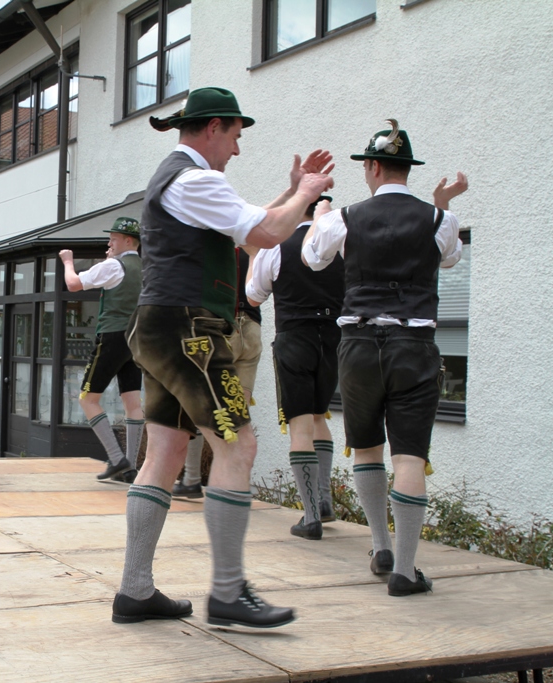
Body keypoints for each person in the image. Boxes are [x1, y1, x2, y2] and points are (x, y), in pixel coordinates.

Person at [113, 86, 333, 628]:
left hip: (163, 329)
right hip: (190, 332)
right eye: (235, 136)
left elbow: (251, 230)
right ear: (213, 128)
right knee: (239, 444)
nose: (237, 148)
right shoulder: (195, 180)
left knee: (164, 453)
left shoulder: (180, 180)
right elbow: (267, 233)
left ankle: (136, 590)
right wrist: (306, 194)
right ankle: (229, 593)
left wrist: (291, 192)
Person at [302, 119, 467, 596]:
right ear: (405, 169)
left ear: (373, 168)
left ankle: (380, 547)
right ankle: (405, 571)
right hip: (414, 346)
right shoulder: (438, 220)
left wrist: (320, 214)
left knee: (368, 447)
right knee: (409, 456)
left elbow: (313, 258)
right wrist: (441, 206)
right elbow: (450, 257)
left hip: (357, 344)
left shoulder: (344, 218)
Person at [246, 195, 345, 539]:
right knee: (319, 416)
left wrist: (253, 257)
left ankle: (311, 515)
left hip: (294, 337)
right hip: (333, 338)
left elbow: (254, 295)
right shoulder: (340, 245)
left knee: (300, 425)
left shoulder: (276, 246)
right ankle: (325, 499)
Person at [59, 217, 144, 482]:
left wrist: (68, 262)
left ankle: (117, 459)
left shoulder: (113, 266)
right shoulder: (146, 267)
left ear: (128, 240)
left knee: (87, 398)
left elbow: (73, 284)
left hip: (112, 336)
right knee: (133, 402)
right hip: (136, 338)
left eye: (113, 239)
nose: (109, 243)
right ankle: (130, 467)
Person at [174, 248, 263, 498]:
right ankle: (237, 482)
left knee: (200, 404)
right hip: (253, 330)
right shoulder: (257, 250)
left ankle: (192, 479)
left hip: (223, 328)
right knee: (239, 412)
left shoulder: (213, 250)